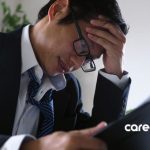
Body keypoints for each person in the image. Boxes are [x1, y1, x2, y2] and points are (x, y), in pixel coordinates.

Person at [0, 0, 131, 149]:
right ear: (58, 10)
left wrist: (114, 71)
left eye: (88, 59)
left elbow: (99, 141)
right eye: (82, 46)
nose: (76, 64)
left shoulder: (69, 90)